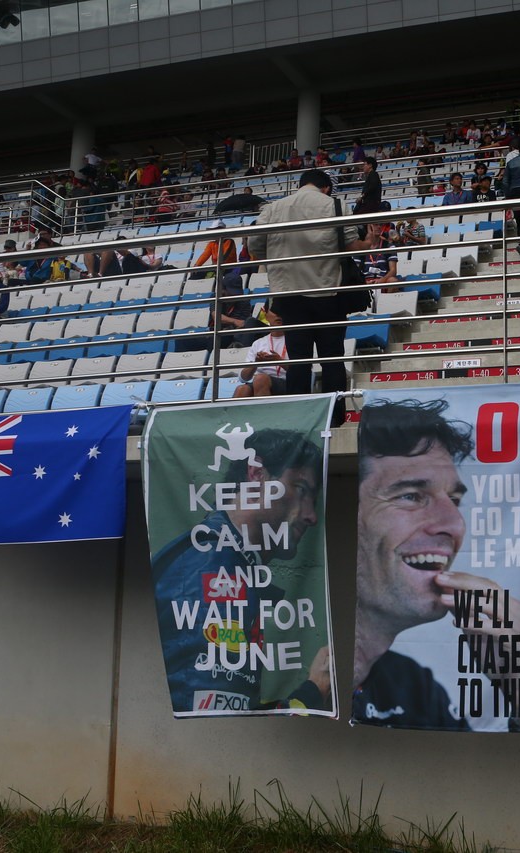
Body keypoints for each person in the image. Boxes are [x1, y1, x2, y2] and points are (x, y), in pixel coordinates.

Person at [351, 398, 520, 732]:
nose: (454, 525)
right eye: (410, 495)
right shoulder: (284, 671)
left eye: (454, 501)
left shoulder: (415, 686)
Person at [150, 428, 327, 713]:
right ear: (257, 475)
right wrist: (314, 691)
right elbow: (212, 712)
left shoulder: (228, 559)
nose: (311, 516)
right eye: (301, 490)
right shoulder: (215, 564)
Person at [247, 169, 382, 426]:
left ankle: (301, 419)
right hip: (328, 293)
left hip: (289, 294)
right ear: (326, 188)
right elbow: (352, 246)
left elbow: (255, 247)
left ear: (300, 185)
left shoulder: (273, 208)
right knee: (332, 359)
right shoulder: (334, 205)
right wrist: (369, 242)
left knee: (299, 361)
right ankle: (335, 419)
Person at [234, 320, 288, 398]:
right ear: (267, 316)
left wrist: (279, 361)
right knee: (242, 390)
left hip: (286, 381)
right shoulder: (258, 343)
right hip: (258, 381)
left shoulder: (294, 340)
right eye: (274, 312)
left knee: (261, 379)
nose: (277, 316)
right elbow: (243, 378)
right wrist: (256, 363)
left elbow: (300, 372)